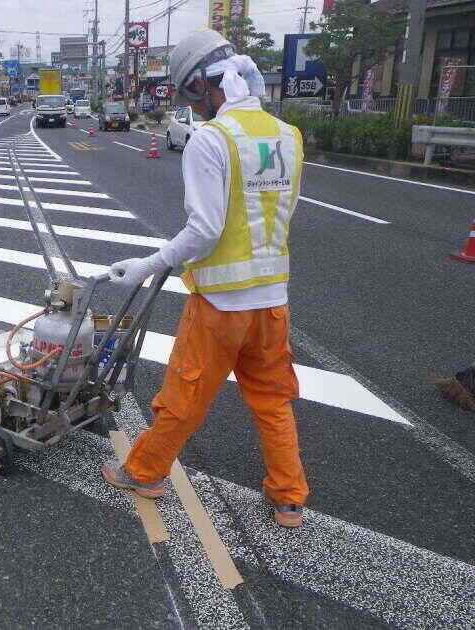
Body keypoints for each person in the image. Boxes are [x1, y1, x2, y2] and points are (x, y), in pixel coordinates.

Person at [102, 29, 309, 528]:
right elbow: (279, 212)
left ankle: (144, 472)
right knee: (273, 399)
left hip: (221, 305)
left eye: (190, 96)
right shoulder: (288, 135)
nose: (192, 108)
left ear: (201, 85)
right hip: (273, 302)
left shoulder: (212, 139)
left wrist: (150, 264)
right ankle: (288, 497)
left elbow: (205, 229)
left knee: (185, 396)